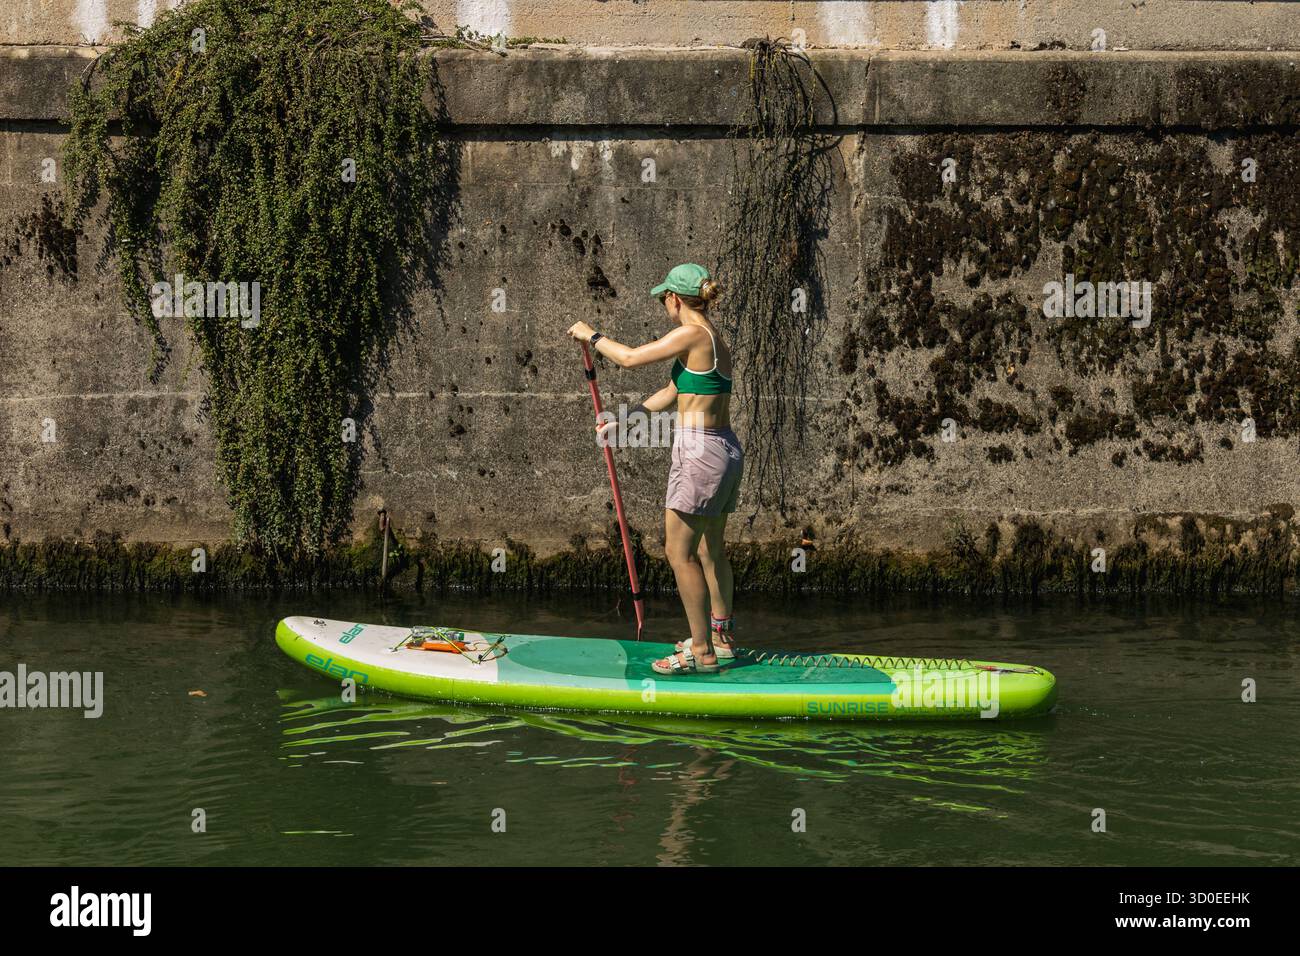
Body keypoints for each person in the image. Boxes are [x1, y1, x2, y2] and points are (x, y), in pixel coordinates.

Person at [566, 263, 743, 675]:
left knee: (678, 552)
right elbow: (670, 392)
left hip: (700, 454)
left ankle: (700, 652)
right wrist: (623, 421)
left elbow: (628, 359)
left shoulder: (691, 333)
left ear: (675, 299)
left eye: (665, 297)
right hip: (724, 450)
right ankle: (722, 638)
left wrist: (591, 335)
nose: (664, 303)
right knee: (709, 549)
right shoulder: (713, 340)